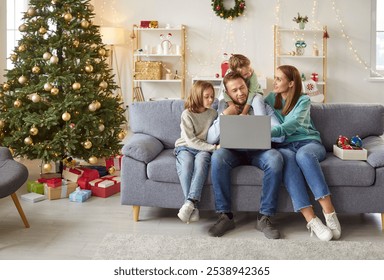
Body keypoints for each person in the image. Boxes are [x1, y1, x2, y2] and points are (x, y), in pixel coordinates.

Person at [264, 65, 341, 241]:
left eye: (279, 79)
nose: (274, 82)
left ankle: (329, 213)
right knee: (288, 161)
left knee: (303, 156)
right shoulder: (270, 99)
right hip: (285, 146)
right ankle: (312, 220)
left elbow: (294, 124)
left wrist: (268, 132)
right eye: (274, 78)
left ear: (291, 83)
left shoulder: (303, 100)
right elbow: (255, 103)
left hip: (309, 143)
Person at [206, 71, 284, 239]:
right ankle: (225, 216)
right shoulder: (221, 107)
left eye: (242, 88)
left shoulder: (260, 105)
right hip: (232, 152)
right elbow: (211, 137)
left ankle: (264, 217)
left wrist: (260, 127)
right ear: (227, 93)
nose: (240, 93)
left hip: (259, 152)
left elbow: (281, 135)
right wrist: (226, 115)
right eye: (234, 90)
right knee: (217, 157)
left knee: (275, 159)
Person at [174, 81, 219, 224]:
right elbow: (191, 141)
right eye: (206, 96)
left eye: (212, 96)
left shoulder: (213, 113)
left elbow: (215, 133)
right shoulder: (187, 114)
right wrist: (213, 148)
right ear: (197, 96)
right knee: (186, 166)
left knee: (201, 164)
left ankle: (190, 203)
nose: (211, 100)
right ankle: (193, 206)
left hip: (204, 149)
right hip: (186, 146)